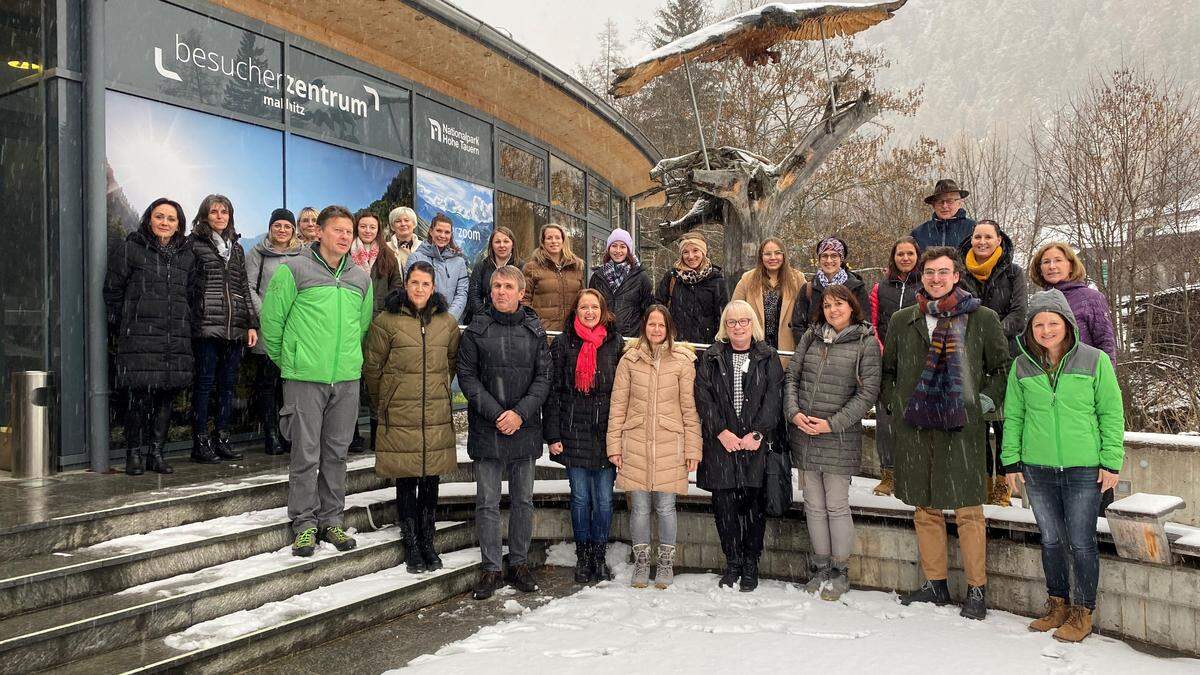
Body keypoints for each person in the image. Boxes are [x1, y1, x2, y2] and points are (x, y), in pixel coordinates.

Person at [881, 246, 1010, 620]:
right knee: (926, 509)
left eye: (943, 272)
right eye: (929, 273)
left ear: (956, 276)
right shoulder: (904, 320)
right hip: (916, 429)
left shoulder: (981, 318)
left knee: (969, 511)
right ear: (922, 277)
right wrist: (896, 402)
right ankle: (935, 584)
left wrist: (983, 402)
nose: (935, 279)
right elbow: (888, 371)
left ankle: (976, 588)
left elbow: (1001, 369)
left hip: (962, 429)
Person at [1001, 289, 1124, 643]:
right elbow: (1015, 416)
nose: (1046, 330)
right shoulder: (1021, 365)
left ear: (1067, 324)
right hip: (1037, 468)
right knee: (1052, 540)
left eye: (1053, 322)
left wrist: (1111, 462)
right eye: (1039, 323)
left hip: (1084, 467)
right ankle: (1057, 604)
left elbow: (1111, 415)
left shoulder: (1094, 360)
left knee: (1082, 542)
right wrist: (1011, 461)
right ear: (1030, 329)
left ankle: (1083, 611)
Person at [261, 205, 373, 557]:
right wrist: (292, 361)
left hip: (345, 379)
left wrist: (345, 362)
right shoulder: (292, 270)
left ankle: (332, 521)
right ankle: (304, 525)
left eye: (348, 231)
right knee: (306, 454)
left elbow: (362, 325)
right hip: (304, 378)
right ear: (319, 232)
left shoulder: (360, 278)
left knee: (337, 453)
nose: (344, 236)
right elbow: (272, 322)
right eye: (337, 229)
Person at [457, 265, 551, 599]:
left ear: (521, 293)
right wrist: (498, 414)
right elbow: (467, 377)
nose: (501, 291)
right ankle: (491, 568)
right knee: (487, 502)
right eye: (496, 285)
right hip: (488, 428)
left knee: (523, 502)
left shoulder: (534, 330)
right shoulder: (476, 330)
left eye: (508, 286)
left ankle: (520, 563)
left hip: (524, 428)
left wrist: (519, 414)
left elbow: (543, 378)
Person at [363, 261, 461, 574]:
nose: (419, 289)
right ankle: (411, 542)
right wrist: (385, 402)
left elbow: (451, 362)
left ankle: (427, 539)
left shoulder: (446, 323)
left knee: (431, 478)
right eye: (414, 283)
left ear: (434, 288)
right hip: (399, 412)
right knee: (406, 479)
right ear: (406, 285)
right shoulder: (386, 321)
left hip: (433, 411)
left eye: (425, 284)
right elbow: (373, 368)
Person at [785, 285, 881, 601]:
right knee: (813, 503)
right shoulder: (812, 336)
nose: (832, 310)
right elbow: (792, 379)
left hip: (838, 436)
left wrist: (831, 423)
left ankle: (840, 569)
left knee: (836, 504)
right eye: (827, 305)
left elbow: (867, 393)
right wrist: (794, 413)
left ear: (852, 307)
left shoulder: (865, 342)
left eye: (839, 304)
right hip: (805, 432)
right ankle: (820, 565)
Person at [607, 304, 701, 589]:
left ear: (669, 328)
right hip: (635, 440)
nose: (656, 330)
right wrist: (614, 445)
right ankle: (641, 562)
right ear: (644, 327)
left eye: (661, 325)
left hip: (670, 443)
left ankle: (665, 563)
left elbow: (689, 407)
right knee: (639, 508)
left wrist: (692, 449)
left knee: (665, 507)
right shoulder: (629, 360)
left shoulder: (683, 362)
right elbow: (618, 404)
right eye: (651, 325)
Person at [695, 300, 785, 593]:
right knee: (725, 510)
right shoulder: (712, 356)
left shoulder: (767, 356)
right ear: (725, 325)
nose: (738, 327)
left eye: (743, 321)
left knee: (753, 509)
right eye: (732, 322)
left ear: (752, 324)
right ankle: (732, 561)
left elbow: (774, 398)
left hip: (754, 447)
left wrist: (757, 433)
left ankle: (750, 563)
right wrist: (720, 431)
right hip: (722, 445)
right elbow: (703, 397)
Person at [104, 197, 195, 475]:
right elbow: (112, 291)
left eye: (171, 218)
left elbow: (192, 295)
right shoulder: (131, 249)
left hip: (174, 337)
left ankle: (156, 453)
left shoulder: (187, 256)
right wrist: (125, 323)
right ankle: (134, 454)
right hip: (140, 336)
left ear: (179, 224)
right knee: (138, 398)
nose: (164, 223)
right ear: (149, 219)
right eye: (159, 216)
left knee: (166, 397)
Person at [544, 289, 624, 582]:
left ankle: (599, 556)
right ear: (575, 311)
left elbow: (623, 392)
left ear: (603, 310)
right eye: (583, 307)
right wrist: (553, 434)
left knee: (603, 500)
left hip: (605, 432)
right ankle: (584, 556)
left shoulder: (615, 343)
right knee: (579, 498)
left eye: (594, 307)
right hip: (573, 429)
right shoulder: (564, 343)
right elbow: (553, 392)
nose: (589, 312)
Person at [958, 220, 1028, 506]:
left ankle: (1003, 484)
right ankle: (983, 481)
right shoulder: (960, 272)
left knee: (1002, 423)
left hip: (1004, 356)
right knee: (976, 423)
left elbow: (1020, 313)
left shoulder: (1013, 273)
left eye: (988, 237)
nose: (982, 241)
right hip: (970, 357)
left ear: (999, 240)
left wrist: (991, 332)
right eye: (978, 236)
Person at [187, 194, 256, 464]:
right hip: (206, 326)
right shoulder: (194, 244)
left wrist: (251, 323)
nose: (219, 216)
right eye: (213, 211)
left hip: (234, 327)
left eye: (224, 212)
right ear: (204, 215)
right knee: (204, 385)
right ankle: (200, 442)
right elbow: (190, 287)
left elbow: (242, 288)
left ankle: (222, 438)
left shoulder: (236, 248)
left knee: (228, 386)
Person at [245, 208, 302, 455]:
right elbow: (248, 286)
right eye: (277, 225)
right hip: (268, 329)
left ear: (293, 230)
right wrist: (266, 317)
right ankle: (270, 434)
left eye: (287, 226)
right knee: (267, 385)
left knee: (289, 386)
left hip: (294, 329)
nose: (282, 230)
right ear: (270, 228)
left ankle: (287, 433)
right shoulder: (258, 253)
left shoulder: (303, 254)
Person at [349, 209, 404, 454]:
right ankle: (351, 435)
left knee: (375, 380)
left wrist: (385, 316)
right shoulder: (346, 254)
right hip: (349, 324)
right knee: (351, 380)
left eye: (372, 227)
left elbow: (397, 288)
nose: (368, 231)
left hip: (378, 325)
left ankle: (376, 433)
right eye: (363, 226)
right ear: (356, 228)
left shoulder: (387, 256)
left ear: (379, 230)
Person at [868, 236, 920, 496]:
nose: (905, 258)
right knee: (885, 421)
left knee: (913, 420)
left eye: (910, 253)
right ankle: (888, 473)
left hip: (916, 364)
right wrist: (882, 349)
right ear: (894, 257)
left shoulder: (924, 286)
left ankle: (911, 472)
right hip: (886, 363)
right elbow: (873, 322)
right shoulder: (881, 288)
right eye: (901, 254)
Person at [1028, 242, 1116, 362]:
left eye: (1058, 260)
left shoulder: (1091, 298)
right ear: (1040, 269)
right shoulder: (1037, 302)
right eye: (1046, 262)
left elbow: (1106, 343)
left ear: (1070, 266)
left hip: (1084, 374)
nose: (1052, 266)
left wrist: (1106, 377)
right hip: (1047, 377)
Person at [732, 237, 806, 358]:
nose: (773, 258)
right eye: (767, 254)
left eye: (777, 253)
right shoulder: (747, 279)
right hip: (755, 343)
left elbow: (805, 314)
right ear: (761, 257)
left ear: (784, 256)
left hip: (786, 345)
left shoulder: (797, 279)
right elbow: (734, 310)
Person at [654, 232, 728, 345]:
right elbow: (658, 307)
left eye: (695, 250)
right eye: (685, 252)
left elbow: (723, 316)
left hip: (706, 346)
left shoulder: (716, 280)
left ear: (703, 252)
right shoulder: (672, 277)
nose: (691, 256)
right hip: (675, 345)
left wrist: (719, 344)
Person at [790, 237, 869, 337]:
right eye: (824, 256)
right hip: (814, 349)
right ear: (819, 259)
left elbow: (864, 322)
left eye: (834, 256)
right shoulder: (809, 289)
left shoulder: (856, 287)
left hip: (848, 348)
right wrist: (808, 347)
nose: (829, 260)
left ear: (841, 259)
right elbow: (797, 325)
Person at [587, 228, 653, 337]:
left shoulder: (641, 277)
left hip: (631, 338)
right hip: (602, 337)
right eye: (614, 246)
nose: (618, 251)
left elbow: (648, 310)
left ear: (628, 250)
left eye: (622, 247)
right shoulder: (598, 277)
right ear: (608, 249)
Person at [406, 213, 470, 323]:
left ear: (451, 235)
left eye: (447, 232)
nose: (443, 235)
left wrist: (449, 319)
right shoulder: (415, 258)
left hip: (450, 323)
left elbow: (462, 294)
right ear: (431, 231)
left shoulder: (459, 262)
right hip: (420, 321)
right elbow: (410, 289)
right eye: (439, 231)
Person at [522, 223, 585, 332]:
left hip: (571, 332)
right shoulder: (532, 268)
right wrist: (535, 323)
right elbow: (524, 299)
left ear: (563, 241)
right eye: (549, 238)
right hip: (543, 332)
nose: (554, 241)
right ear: (543, 242)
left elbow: (581, 299)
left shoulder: (576, 267)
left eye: (557, 238)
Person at [466, 226, 524, 326]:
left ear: (512, 244)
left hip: (513, 321)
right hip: (484, 322)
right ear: (491, 245)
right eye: (497, 242)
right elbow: (474, 296)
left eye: (506, 241)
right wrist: (487, 316)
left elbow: (524, 297)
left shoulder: (522, 267)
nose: (502, 245)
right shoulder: (481, 267)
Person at [910, 179, 975, 250]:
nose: (944, 206)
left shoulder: (973, 230)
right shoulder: (919, 233)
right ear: (933, 205)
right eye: (940, 202)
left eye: (949, 201)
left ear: (959, 203)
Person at [385, 206, 423, 271]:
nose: (403, 224)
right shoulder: (385, 248)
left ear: (414, 224)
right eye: (398, 221)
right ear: (392, 226)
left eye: (406, 220)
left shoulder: (424, 247)